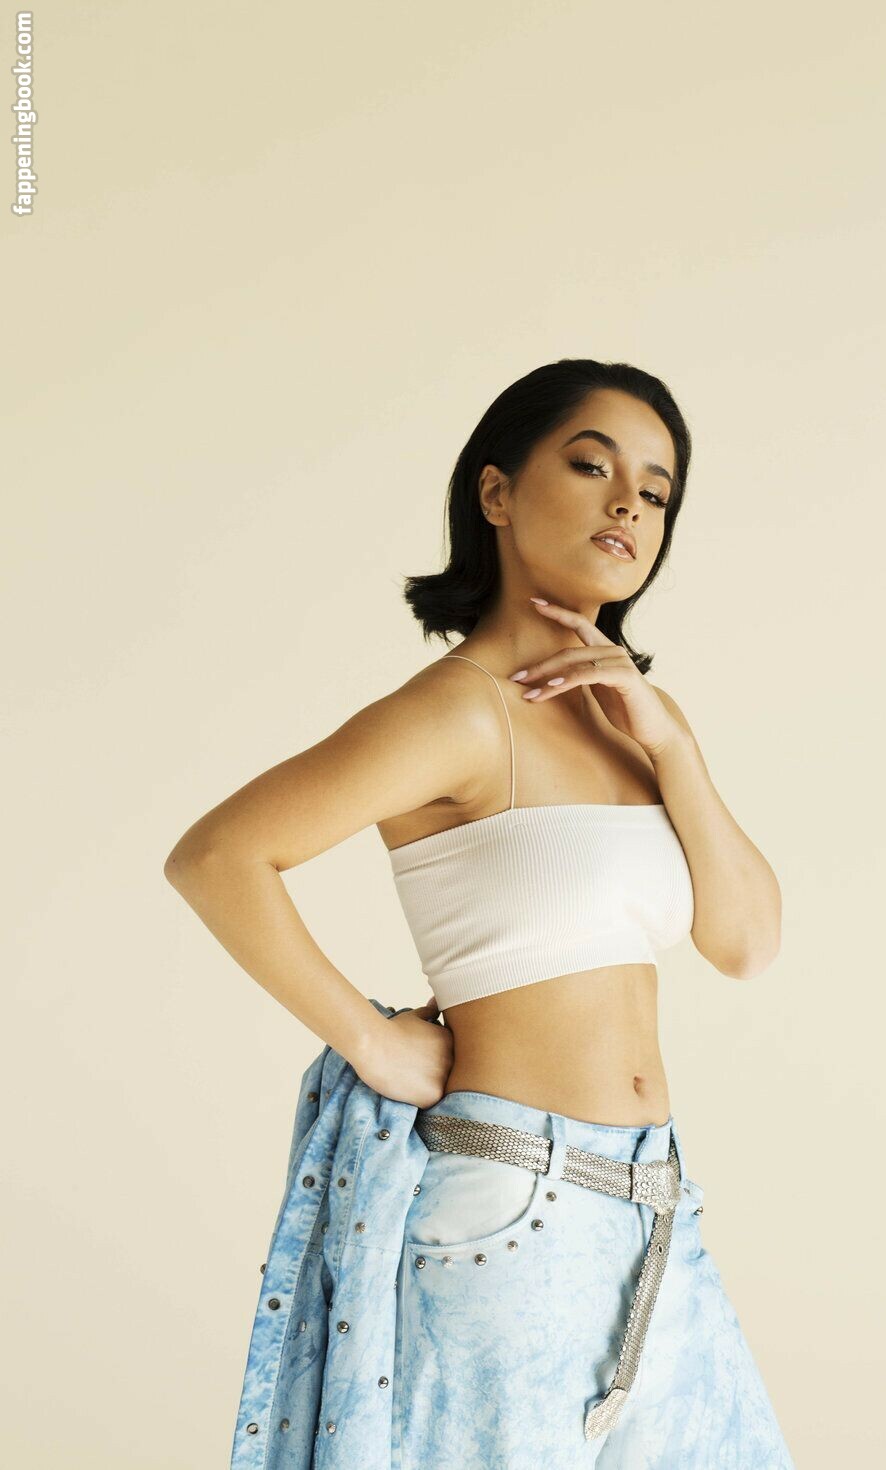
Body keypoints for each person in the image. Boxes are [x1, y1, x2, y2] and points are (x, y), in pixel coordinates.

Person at [165, 358, 796, 1467]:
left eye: (655, 492)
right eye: (592, 466)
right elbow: (218, 857)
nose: (627, 506)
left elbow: (745, 944)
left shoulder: (636, 723)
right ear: (495, 493)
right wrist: (369, 1041)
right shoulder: (459, 712)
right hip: (514, 1213)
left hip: (656, 1212)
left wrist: (671, 743)